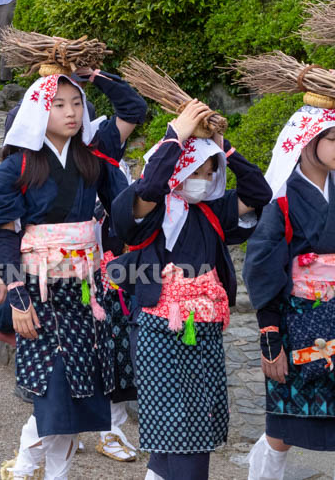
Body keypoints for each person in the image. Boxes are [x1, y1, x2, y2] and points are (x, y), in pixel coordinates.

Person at [109, 101, 270, 480]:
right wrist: (175, 137)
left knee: (194, 426)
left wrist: (223, 145)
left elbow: (259, 192)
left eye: (211, 170)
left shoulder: (213, 212)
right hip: (157, 330)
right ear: (178, 167)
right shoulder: (147, 212)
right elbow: (150, 184)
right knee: (179, 430)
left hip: (205, 330)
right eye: (197, 168)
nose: (204, 176)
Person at [0, 72, 129, 480]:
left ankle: (36, 468)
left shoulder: (90, 161)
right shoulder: (16, 168)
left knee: (81, 389)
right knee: (56, 387)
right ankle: (37, 467)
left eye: (76, 103)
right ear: (37, 111)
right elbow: (3, 233)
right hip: (39, 290)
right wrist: (16, 294)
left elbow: (120, 210)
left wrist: (98, 77)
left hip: (85, 290)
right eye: (59, 104)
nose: (70, 112)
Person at [243, 102, 335, 479]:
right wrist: (271, 338)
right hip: (299, 319)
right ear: (309, 141)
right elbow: (263, 270)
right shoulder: (281, 198)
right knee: (285, 428)